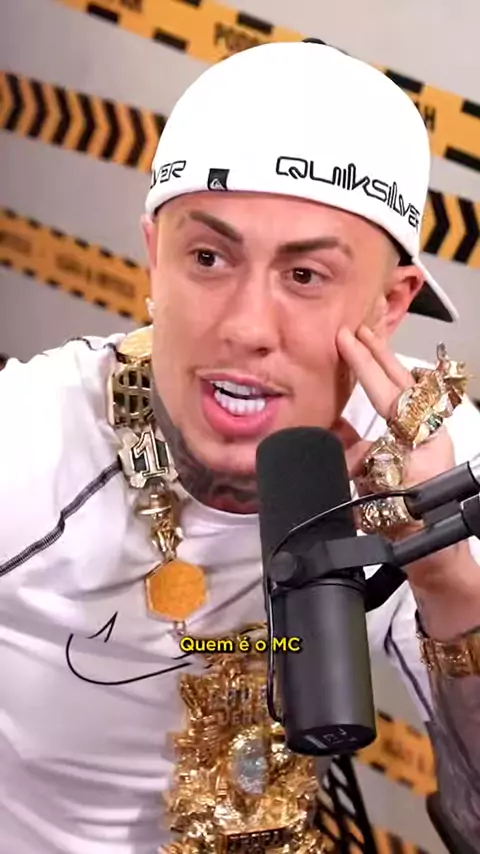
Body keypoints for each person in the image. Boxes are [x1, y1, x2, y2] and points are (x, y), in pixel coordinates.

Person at [1, 41, 480, 854]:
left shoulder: (433, 462)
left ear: (390, 305)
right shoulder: (28, 441)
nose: (247, 328)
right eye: (209, 258)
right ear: (154, 259)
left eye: (305, 276)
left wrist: (445, 577)